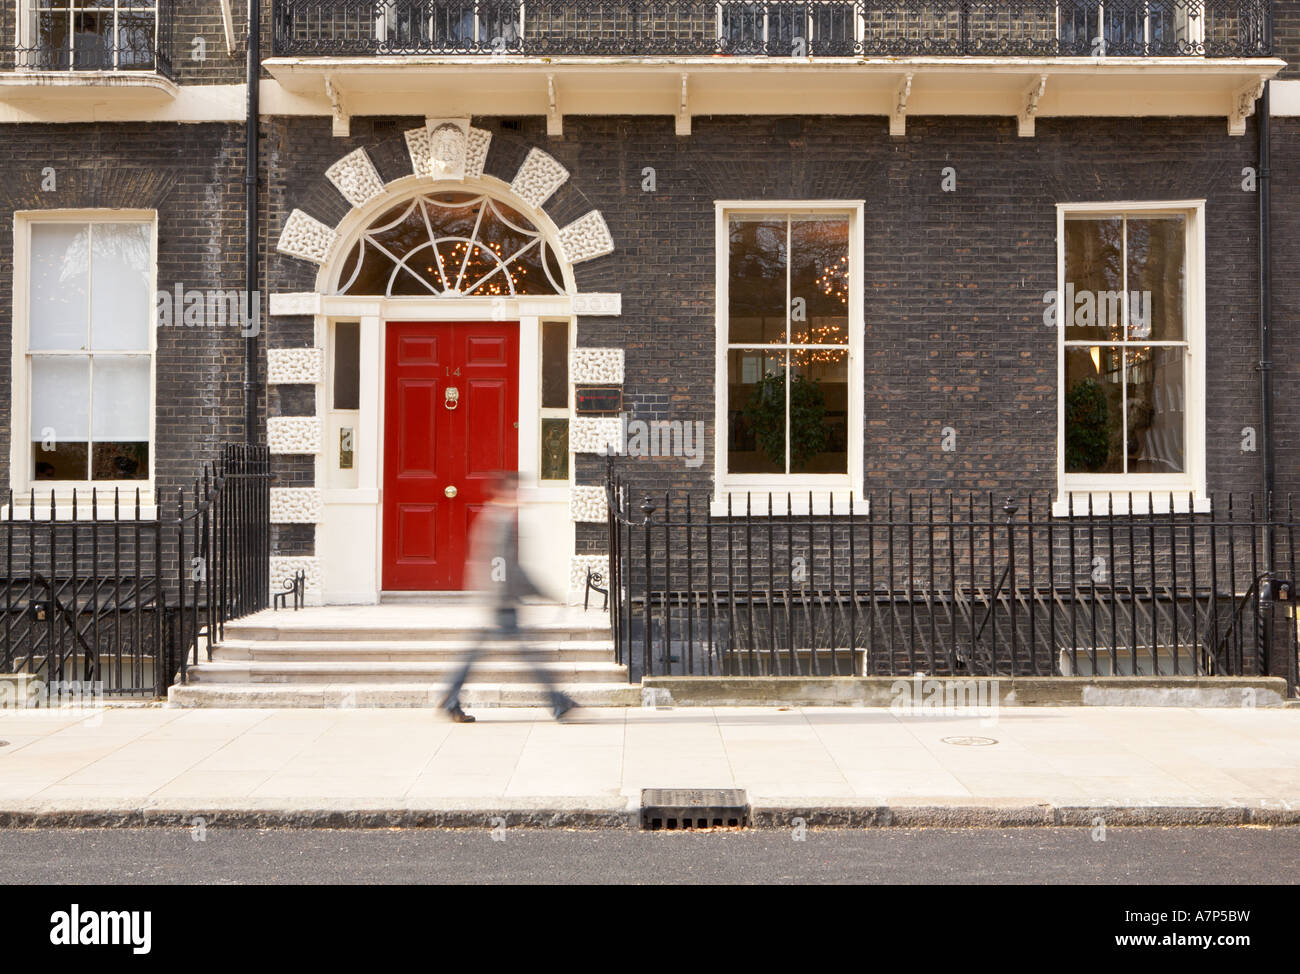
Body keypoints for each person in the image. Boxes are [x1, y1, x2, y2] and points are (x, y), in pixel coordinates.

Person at [440, 471, 577, 723]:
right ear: (505, 492)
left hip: (498, 600)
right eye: (516, 490)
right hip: (500, 602)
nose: (520, 495)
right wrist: (506, 600)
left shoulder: (496, 517)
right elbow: (500, 565)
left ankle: (450, 698)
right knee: (529, 655)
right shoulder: (502, 520)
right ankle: (557, 700)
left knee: (481, 653)